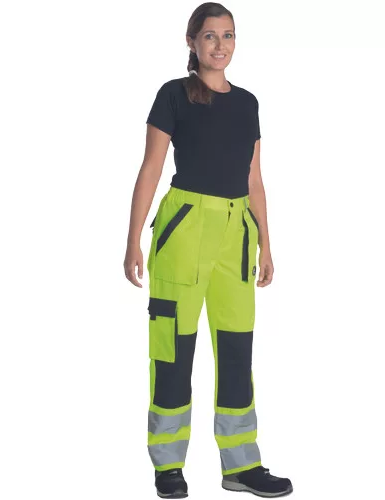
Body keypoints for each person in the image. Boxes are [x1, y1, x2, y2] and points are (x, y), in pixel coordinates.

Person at [124, 3, 293, 498]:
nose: (221, 45)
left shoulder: (248, 103)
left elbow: (254, 180)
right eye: (211, 36)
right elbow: (151, 168)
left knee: (237, 351)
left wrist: (266, 243)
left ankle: (241, 465)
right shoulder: (173, 95)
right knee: (173, 350)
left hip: (236, 237)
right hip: (184, 231)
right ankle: (168, 465)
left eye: (228, 35)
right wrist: (132, 238)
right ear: (192, 42)